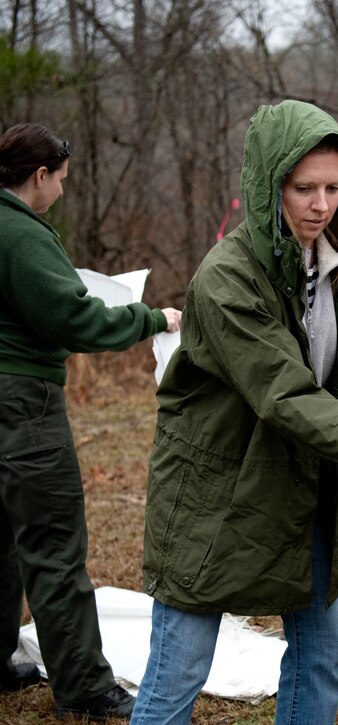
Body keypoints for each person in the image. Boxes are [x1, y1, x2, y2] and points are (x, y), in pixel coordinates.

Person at [130, 100, 338, 724]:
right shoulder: (227, 279)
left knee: (318, 652)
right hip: (216, 493)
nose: (321, 205)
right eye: (303, 188)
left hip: (310, 484)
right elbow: (289, 398)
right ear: (269, 188)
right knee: (179, 667)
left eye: (334, 188)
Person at [0, 122, 182, 719]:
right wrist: (147, 319)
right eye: (62, 181)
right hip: (23, 403)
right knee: (53, 544)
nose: (63, 192)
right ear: (41, 175)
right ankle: (83, 687)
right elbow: (74, 320)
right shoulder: (21, 234)